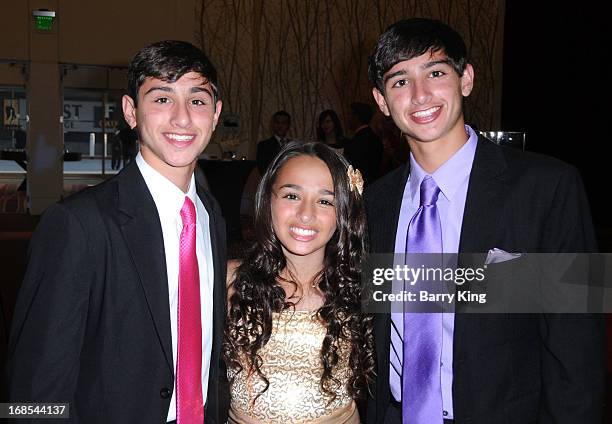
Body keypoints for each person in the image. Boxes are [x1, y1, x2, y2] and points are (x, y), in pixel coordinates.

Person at [365, 18, 605, 423]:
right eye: (400, 81)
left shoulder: (551, 187)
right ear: (383, 101)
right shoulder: (375, 202)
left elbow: (579, 348)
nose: (420, 94)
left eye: (436, 72)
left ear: (467, 79)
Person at [7, 40, 228, 424]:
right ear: (131, 111)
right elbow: (31, 391)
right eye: (161, 99)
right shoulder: (78, 225)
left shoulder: (211, 216)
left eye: (197, 100)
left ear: (215, 114)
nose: (182, 118)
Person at [224, 142, 375, 424]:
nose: (306, 214)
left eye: (325, 201)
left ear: (344, 212)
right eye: (292, 196)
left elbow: (475, 285)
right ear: (267, 200)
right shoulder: (230, 279)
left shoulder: (364, 282)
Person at [343, 102, 383, 185]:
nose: (347, 118)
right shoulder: (374, 137)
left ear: (356, 117)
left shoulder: (357, 141)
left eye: (350, 114)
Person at [255, 110, 292, 175]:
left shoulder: (293, 145)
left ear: (288, 125)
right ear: (273, 125)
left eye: (283, 123)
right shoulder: (264, 145)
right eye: (277, 122)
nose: (280, 126)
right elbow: (263, 169)